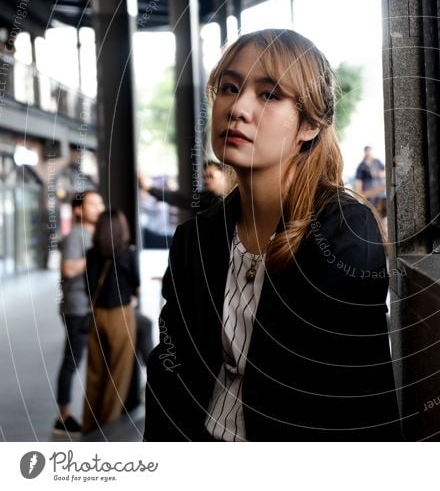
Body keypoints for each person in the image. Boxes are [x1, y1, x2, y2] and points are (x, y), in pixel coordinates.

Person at [145, 29, 400, 441]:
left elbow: (342, 400)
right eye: (229, 87)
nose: (238, 108)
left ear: (310, 124)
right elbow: (170, 367)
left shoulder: (344, 234)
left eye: (269, 95)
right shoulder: (195, 239)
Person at [53, 191, 105, 436]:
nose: (99, 207)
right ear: (78, 210)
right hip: (76, 307)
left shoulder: (94, 233)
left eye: (100, 202)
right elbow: (68, 268)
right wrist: (96, 256)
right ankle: (63, 418)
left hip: (90, 306)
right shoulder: (76, 234)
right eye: (93, 203)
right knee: (71, 362)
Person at [83, 209, 139, 434]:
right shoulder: (127, 254)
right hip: (120, 316)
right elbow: (135, 282)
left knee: (95, 373)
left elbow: (88, 285)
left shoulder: (91, 253)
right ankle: (107, 427)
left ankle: (89, 426)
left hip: (97, 315)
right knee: (118, 374)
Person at [139, 161, 232, 215]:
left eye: (211, 176)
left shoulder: (235, 197)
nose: (206, 181)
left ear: (225, 175)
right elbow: (179, 199)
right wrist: (149, 189)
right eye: (204, 177)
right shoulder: (205, 199)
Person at [355, 146, 386, 219]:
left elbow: (385, 172)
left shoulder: (377, 162)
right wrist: (360, 194)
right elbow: (358, 182)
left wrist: (379, 174)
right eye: (368, 152)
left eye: (370, 151)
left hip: (380, 194)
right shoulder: (362, 166)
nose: (370, 154)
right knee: (372, 214)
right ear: (365, 153)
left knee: (381, 214)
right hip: (370, 195)